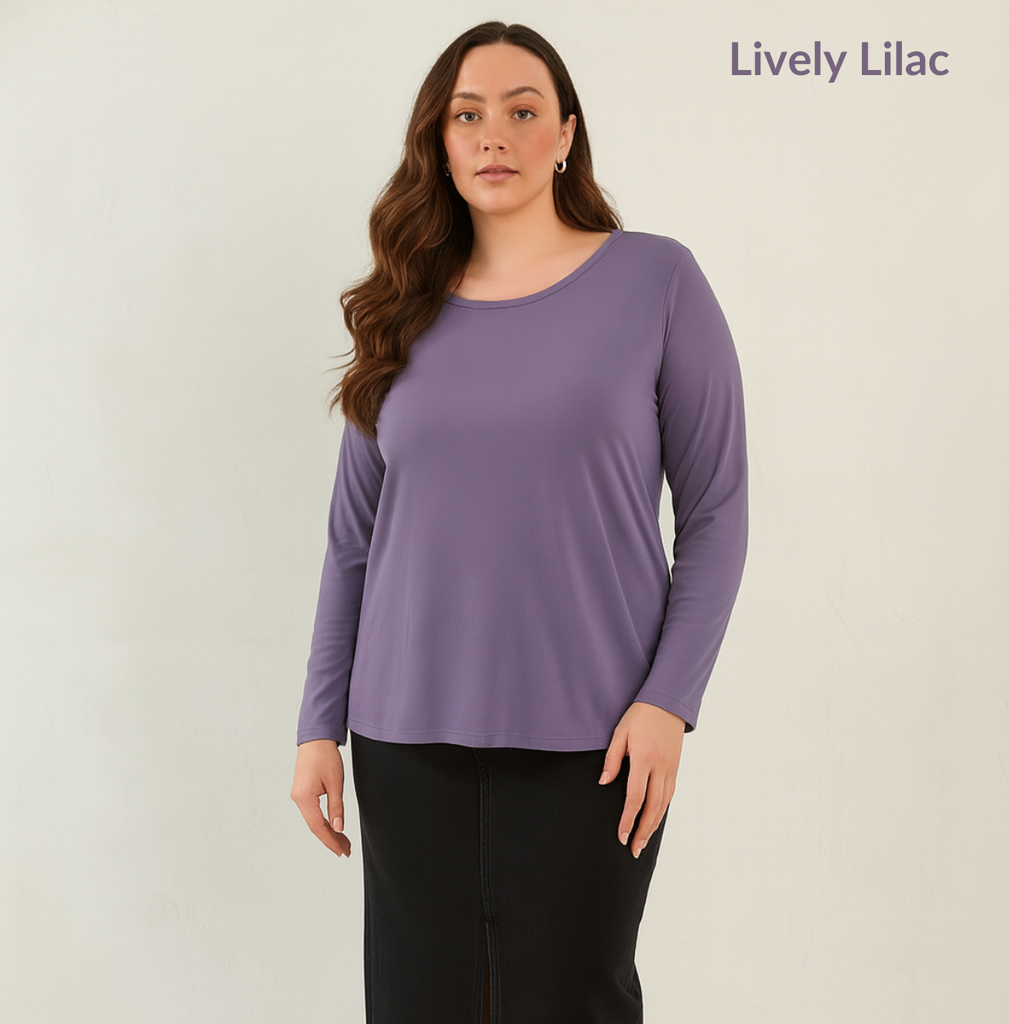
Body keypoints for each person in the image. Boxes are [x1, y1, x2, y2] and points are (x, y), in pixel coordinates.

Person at [290, 20, 747, 1024]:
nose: (493, 134)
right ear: (440, 142)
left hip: (598, 740)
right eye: (467, 115)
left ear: (565, 135)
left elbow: (715, 513)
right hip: (402, 735)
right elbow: (352, 541)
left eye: (522, 110)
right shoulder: (400, 307)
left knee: (572, 1001)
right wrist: (318, 724)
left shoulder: (656, 282)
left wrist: (668, 702)